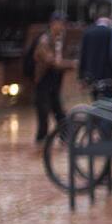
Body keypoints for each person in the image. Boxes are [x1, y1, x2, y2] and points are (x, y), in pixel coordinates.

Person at [32, 12, 75, 143]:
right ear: (53, 24)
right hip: (44, 79)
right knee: (43, 110)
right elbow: (51, 61)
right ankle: (42, 137)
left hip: (55, 79)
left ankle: (64, 135)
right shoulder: (44, 40)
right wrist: (71, 64)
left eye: (64, 24)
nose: (63, 26)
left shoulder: (59, 40)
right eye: (60, 23)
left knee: (57, 108)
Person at [77, 9, 112, 99]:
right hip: (109, 76)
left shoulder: (88, 32)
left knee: (96, 103)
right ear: (109, 18)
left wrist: (81, 76)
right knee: (108, 103)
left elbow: (83, 55)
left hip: (92, 76)